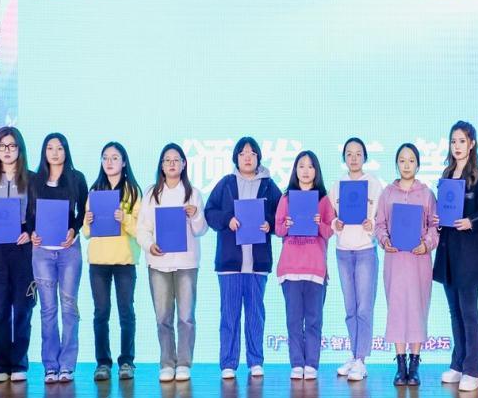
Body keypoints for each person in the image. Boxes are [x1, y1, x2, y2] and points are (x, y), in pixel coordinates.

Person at [204, 136, 280, 379]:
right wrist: (227, 220)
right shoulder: (226, 183)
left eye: (252, 153)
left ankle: (256, 361)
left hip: (258, 263)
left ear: (259, 157)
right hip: (230, 263)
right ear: (236, 158)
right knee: (229, 314)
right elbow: (209, 212)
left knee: (256, 314)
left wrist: (270, 224)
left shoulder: (269, 185)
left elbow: (282, 215)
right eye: (242, 153)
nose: (247, 157)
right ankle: (228, 363)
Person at [136, 143, 208, 382]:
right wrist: (149, 245)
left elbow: (201, 230)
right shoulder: (151, 193)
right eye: (167, 160)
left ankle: (184, 363)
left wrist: (195, 215)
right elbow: (142, 229)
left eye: (176, 160)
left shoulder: (193, 193)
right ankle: (167, 363)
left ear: (184, 164)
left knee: (186, 317)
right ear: (161, 165)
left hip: (186, 263)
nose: (172, 164)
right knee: (162, 317)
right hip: (159, 263)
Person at [432, 121, 478, 393]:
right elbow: (444, 210)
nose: (457, 146)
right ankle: (457, 364)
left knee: (469, 312)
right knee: (454, 311)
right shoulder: (447, 174)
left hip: (469, 253)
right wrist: (438, 220)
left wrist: (470, 221)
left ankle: (473, 370)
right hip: (448, 251)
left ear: (472, 144)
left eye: (462, 141)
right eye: (453, 141)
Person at [374, 143, 439, 386]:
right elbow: (380, 224)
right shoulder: (387, 193)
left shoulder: (427, 194)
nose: (407, 165)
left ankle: (415, 363)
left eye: (411, 160)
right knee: (397, 309)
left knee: (417, 309)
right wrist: (384, 240)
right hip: (395, 259)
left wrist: (427, 244)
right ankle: (400, 365)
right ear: (396, 164)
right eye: (402, 160)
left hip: (419, 260)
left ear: (418, 165)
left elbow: (435, 226)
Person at [27, 133, 87, 383]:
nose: (54, 152)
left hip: (69, 251)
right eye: (50, 148)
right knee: (48, 309)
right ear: (44, 152)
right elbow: (29, 213)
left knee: (69, 308)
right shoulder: (34, 180)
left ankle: (67, 365)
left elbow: (83, 211)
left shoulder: (76, 178)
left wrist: (74, 229)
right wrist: (31, 232)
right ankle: (50, 365)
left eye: (59, 148)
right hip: (42, 252)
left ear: (66, 151)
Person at [0, 125, 34, 382]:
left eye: (12, 146)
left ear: (20, 149)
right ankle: (0, 365)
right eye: (2, 146)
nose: (7, 151)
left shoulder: (31, 179)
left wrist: (30, 231)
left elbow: (38, 212)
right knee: (0, 308)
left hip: (23, 246)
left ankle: (19, 363)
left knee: (23, 307)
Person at [83, 142, 142, 382]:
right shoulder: (95, 190)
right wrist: (88, 221)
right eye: (105, 157)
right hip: (99, 261)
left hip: (125, 260)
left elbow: (141, 230)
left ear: (124, 162)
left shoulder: (133, 191)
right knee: (101, 313)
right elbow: (86, 232)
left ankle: (127, 361)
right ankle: (103, 363)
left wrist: (124, 218)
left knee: (126, 312)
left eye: (115, 157)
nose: (109, 162)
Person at [275, 151, 336, 379]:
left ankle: (311, 363)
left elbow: (330, 231)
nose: (306, 170)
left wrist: (319, 224)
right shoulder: (286, 199)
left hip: (315, 269)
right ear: (295, 170)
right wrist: (288, 224)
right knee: (293, 320)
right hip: (290, 269)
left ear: (316, 171)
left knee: (313, 320)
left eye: (311, 166)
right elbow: (278, 229)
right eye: (301, 166)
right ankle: (296, 363)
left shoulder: (323, 200)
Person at [330, 137, 383, 382]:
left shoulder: (374, 184)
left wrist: (372, 225)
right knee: (350, 308)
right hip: (343, 251)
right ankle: (353, 355)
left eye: (358, 153)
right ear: (344, 157)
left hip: (365, 250)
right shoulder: (336, 185)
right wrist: (336, 223)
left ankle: (361, 359)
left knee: (364, 308)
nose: (353, 158)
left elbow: (382, 218)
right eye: (349, 154)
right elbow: (330, 217)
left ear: (365, 157)